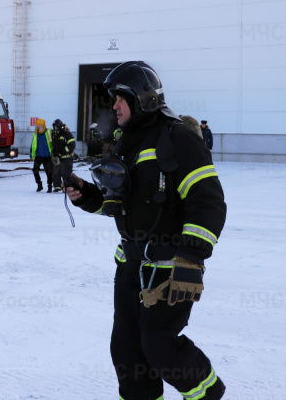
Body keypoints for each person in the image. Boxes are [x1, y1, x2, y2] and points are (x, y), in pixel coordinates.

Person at [64, 61, 227, 400]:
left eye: (119, 99)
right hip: (130, 268)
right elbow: (124, 206)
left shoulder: (178, 138)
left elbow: (208, 202)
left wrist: (191, 259)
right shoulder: (128, 143)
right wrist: (86, 195)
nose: (114, 107)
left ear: (142, 98)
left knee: (160, 347)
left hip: (169, 269)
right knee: (126, 351)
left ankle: (208, 395)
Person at [50, 118, 75, 192]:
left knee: (66, 173)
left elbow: (72, 145)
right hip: (58, 157)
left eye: (56, 127)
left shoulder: (66, 134)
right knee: (56, 172)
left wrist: (64, 151)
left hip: (67, 157)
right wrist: (54, 152)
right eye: (54, 127)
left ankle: (67, 188)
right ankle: (57, 187)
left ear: (60, 126)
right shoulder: (54, 135)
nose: (55, 129)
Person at [30, 118, 53, 193]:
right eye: (37, 126)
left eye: (39, 126)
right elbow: (32, 146)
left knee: (49, 172)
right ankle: (39, 185)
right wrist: (31, 155)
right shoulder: (36, 135)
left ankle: (50, 186)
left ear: (43, 126)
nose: (37, 128)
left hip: (47, 156)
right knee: (35, 170)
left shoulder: (49, 133)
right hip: (38, 156)